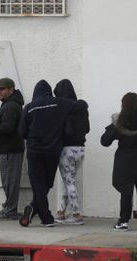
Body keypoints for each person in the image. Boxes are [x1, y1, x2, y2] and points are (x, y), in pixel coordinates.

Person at [18, 79, 87, 228]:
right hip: (53, 152)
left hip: (35, 151)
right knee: (46, 184)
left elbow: (22, 132)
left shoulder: (29, 108)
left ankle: (46, 218)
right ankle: (34, 208)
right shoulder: (58, 103)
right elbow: (82, 105)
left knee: (38, 185)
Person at [101, 92, 137, 231]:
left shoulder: (120, 120)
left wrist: (113, 125)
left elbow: (105, 141)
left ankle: (124, 221)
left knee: (126, 191)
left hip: (124, 160)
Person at [0, 77, 25, 220]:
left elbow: (8, 128)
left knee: (10, 181)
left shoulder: (10, 106)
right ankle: (9, 208)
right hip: (9, 149)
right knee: (10, 180)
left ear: (11, 89)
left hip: (10, 150)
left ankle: (10, 209)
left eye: (2, 89)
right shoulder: (10, 104)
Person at [54, 79, 89, 225]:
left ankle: (76, 214)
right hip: (80, 149)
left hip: (66, 149)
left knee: (69, 182)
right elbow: (87, 129)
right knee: (69, 181)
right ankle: (61, 212)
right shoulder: (82, 108)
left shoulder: (61, 108)